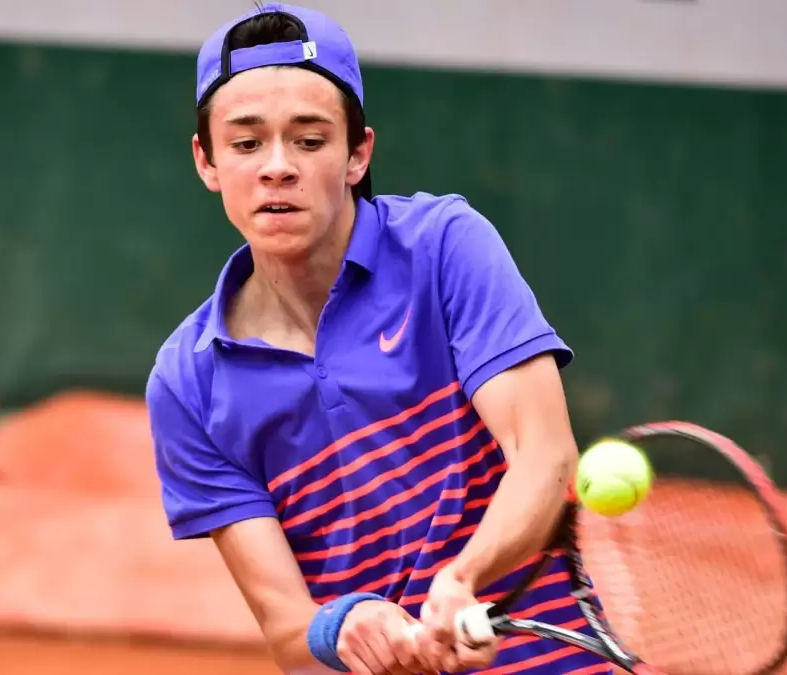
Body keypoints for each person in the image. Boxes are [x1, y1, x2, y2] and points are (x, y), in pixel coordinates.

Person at [146, 3, 608, 673]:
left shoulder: (445, 247)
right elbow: (286, 626)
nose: (277, 167)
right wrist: (343, 625)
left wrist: (464, 576)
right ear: (206, 160)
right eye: (246, 144)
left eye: (310, 141)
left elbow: (544, 454)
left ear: (358, 154)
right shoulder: (187, 383)